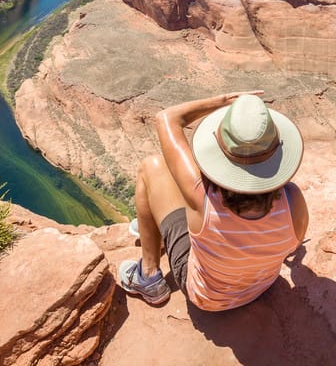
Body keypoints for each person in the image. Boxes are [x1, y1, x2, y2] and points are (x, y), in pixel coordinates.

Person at [119, 91, 309, 311]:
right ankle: (159, 233)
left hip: (205, 296)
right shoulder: (293, 200)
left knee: (152, 167)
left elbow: (167, 118)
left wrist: (222, 102)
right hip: (258, 288)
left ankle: (148, 276)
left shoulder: (201, 197)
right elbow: (294, 243)